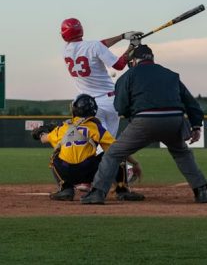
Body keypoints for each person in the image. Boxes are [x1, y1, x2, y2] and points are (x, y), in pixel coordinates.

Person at [81, 45, 207, 205]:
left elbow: (120, 107)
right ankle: (201, 190)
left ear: (134, 60)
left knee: (113, 154)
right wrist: (196, 126)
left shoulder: (128, 76)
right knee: (182, 153)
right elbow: (191, 103)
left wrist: (132, 116)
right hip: (174, 120)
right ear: (151, 58)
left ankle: (98, 193)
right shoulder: (171, 75)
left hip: (145, 120)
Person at [60, 17, 144, 200]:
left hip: (85, 106)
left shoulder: (66, 50)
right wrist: (132, 46)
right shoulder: (93, 47)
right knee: (111, 146)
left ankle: (85, 181)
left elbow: (98, 45)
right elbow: (119, 65)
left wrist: (122, 36)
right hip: (107, 102)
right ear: (81, 30)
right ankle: (120, 185)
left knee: (89, 144)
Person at [33, 94, 142, 201]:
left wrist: (40, 133)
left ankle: (65, 189)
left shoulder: (63, 128)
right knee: (114, 153)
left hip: (67, 172)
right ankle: (122, 190)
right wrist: (135, 163)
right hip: (89, 171)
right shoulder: (95, 127)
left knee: (54, 157)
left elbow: (44, 138)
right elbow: (118, 148)